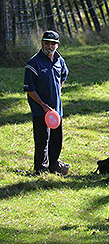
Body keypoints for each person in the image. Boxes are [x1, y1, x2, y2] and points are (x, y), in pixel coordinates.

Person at [23, 30, 70, 175]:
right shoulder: (33, 63)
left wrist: (58, 91)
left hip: (56, 111)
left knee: (57, 139)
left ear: (57, 45)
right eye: (47, 43)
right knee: (42, 139)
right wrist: (43, 106)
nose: (50, 46)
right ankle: (40, 169)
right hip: (40, 110)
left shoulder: (59, 60)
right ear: (42, 43)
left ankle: (53, 167)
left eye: (53, 43)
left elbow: (64, 75)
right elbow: (30, 89)